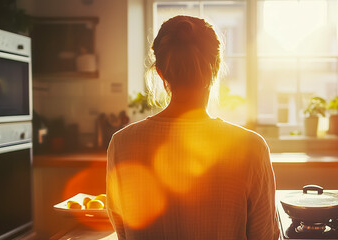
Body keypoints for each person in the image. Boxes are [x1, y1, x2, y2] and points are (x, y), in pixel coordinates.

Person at [106, 15, 279, 240]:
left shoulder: (121, 144)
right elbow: (265, 236)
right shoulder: (252, 147)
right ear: (216, 68)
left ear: (160, 72)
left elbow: (123, 233)